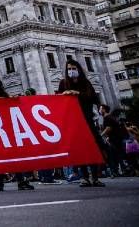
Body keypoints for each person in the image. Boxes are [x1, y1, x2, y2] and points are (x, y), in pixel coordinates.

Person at [57, 59, 105, 187]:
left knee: (92, 146)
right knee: (80, 149)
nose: (71, 71)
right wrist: (64, 95)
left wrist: (77, 93)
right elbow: (58, 100)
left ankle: (95, 177)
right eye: (69, 69)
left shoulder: (86, 83)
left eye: (73, 68)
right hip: (74, 120)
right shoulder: (64, 83)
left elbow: (94, 97)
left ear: (78, 69)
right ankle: (84, 177)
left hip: (87, 119)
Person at [99, 104, 127, 178]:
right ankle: (122, 170)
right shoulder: (111, 117)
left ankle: (116, 171)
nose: (99, 110)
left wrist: (101, 135)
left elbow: (109, 128)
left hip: (115, 139)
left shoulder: (107, 118)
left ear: (104, 110)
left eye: (100, 109)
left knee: (113, 155)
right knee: (118, 154)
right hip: (116, 138)